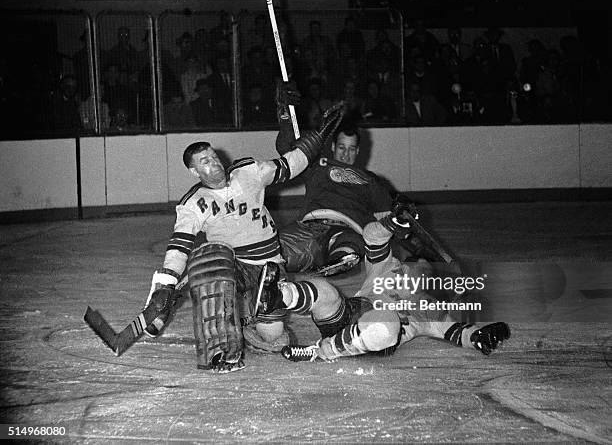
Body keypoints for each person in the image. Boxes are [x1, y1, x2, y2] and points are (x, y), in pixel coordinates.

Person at [144, 95, 345, 373]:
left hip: (269, 265)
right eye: (204, 162)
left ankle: (249, 322)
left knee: (274, 339)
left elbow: (290, 165)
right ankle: (221, 351)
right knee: (207, 266)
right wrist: (167, 283)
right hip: (234, 265)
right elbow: (179, 247)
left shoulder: (248, 172)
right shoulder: (192, 203)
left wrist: (320, 136)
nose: (213, 163)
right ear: (194, 171)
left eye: (213, 156)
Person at [255, 203, 510, 362]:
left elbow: (457, 333)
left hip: (375, 338)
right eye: (416, 266)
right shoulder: (387, 268)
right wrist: (393, 223)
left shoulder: (429, 309)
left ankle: (320, 351)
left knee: (386, 324)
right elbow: (372, 237)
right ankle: (276, 296)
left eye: (425, 272)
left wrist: (478, 335)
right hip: (349, 313)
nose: (417, 273)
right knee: (325, 290)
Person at [276, 83, 396, 276]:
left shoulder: (371, 180)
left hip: (349, 228)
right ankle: (284, 263)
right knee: (277, 255)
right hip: (312, 227)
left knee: (351, 245)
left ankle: (338, 261)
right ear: (333, 147)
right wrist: (285, 116)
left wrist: (403, 219)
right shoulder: (317, 165)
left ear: (357, 151)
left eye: (350, 149)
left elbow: (388, 221)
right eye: (341, 147)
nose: (345, 154)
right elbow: (285, 149)